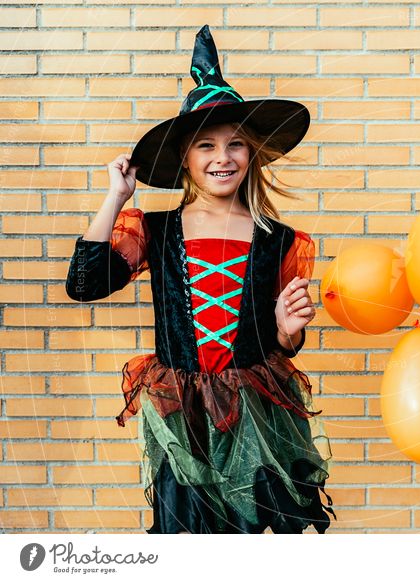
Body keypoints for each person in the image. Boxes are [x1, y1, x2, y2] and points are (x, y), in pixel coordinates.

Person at [64, 25, 334, 534]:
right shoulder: (156, 230)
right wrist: (116, 198)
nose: (222, 158)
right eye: (206, 146)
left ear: (251, 154)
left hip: (258, 414)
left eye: (235, 145)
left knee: (262, 535)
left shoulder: (279, 240)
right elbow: (84, 283)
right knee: (188, 537)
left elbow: (286, 344)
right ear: (185, 159)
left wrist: (286, 327)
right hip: (183, 416)